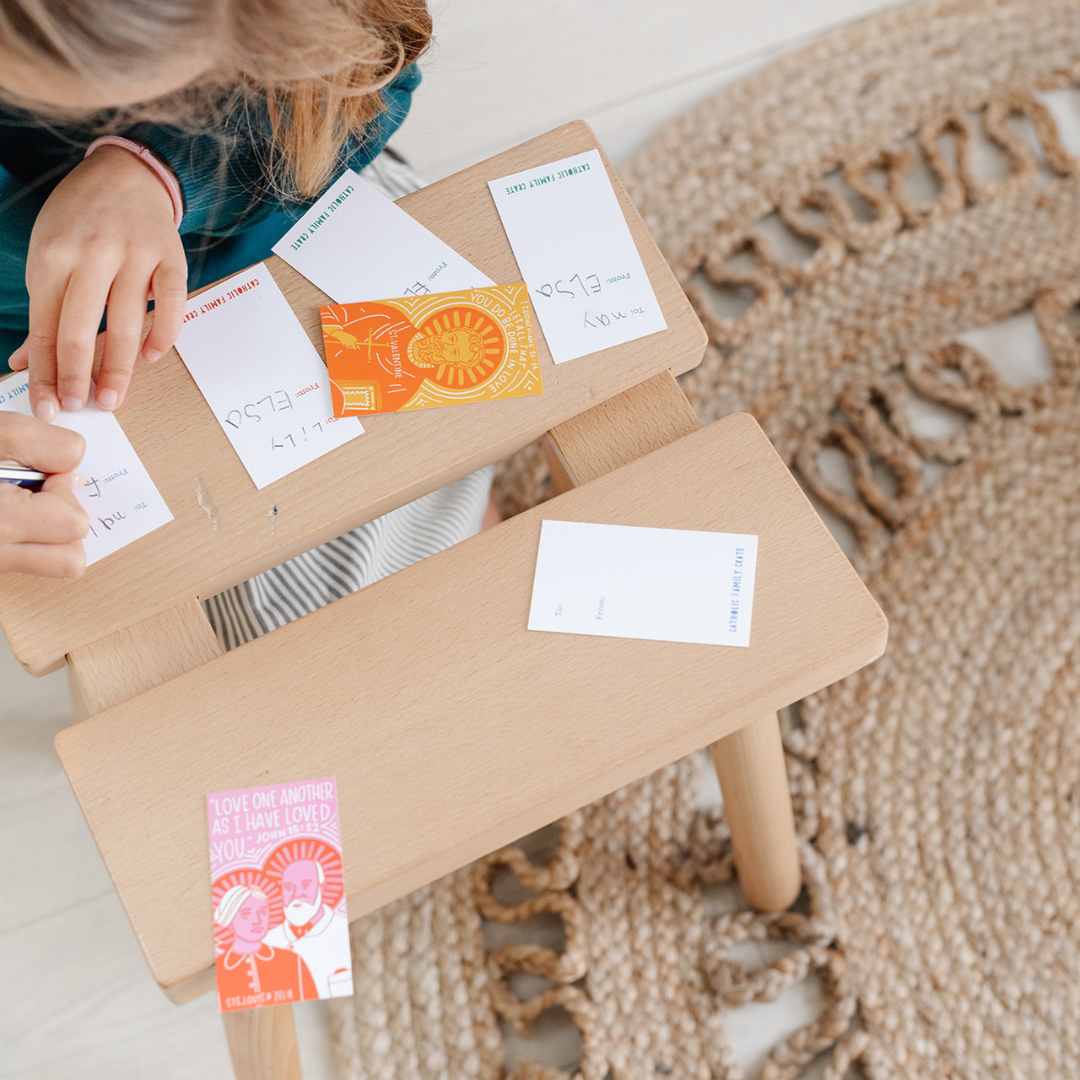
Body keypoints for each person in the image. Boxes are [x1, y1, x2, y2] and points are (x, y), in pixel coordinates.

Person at [0, 1, 496, 621]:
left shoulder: (311, 37)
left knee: (465, 432)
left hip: (294, 218)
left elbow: (374, 80)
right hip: (73, 381)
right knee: (307, 621)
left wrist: (156, 172)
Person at [213, 884, 318, 1010]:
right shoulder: (222, 968)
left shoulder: (292, 961)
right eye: (246, 914)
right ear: (229, 920)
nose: (257, 920)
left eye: (262, 912)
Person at [263, 856, 353, 998]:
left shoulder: (338, 928)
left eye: (305, 885)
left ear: (321, 887)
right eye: (288, 887)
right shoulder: (267, 941)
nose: (296, 894)